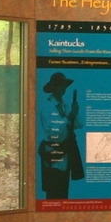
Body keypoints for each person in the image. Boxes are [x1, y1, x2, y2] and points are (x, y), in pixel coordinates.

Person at [38, 71, 83, 199]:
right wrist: (70, 116)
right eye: (61, 85)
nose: (63, 89)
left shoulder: (65, 105)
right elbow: (54, 132)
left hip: (66, 153)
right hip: (53, 153)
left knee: (63, 190)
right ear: (54, 87)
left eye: (64, 85)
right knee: (53, 191)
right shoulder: (47, 106)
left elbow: (79, 124)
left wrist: (75, 112)